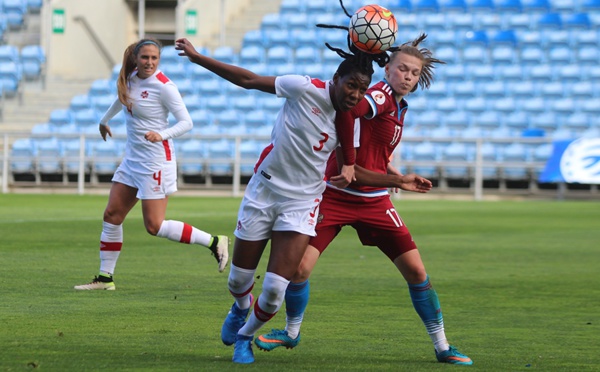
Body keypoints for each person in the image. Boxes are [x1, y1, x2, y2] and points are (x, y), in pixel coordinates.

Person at [255, 34, 474, 366]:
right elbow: (350, 109)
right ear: (387, 68)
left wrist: (389, 170)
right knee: (299, 269)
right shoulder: (380, 95)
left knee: (416, 271)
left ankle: (443, 346)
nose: (408, 77)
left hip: (374, 201)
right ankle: (291, 331)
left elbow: (371, 148)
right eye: (403, 69)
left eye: (414, 73)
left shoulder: (399, 105)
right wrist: (391, 177)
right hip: (335, 195)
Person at [174, 33, 389, 364]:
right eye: (351, 86)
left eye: (361, 90)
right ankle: (241, 307)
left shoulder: (353, 112)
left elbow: (357, 136)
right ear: (336, 79)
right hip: (264, 191)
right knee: (238, 281)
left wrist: (352, 165)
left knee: (275, 290)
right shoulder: (303, 88)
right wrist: (198, 57)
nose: (355, 95)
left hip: (301, 203)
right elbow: (248, 80)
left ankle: (246, 337)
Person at [74, 38, 229, 291]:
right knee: (112, 215)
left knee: (154, 226)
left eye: (154, 58)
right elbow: (123, 99)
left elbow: (186, 122)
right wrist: (104, 120)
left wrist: (162, 134)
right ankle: (105, 279)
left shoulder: (165, 87)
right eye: (145, 57)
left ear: (159, 60)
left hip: (156, 162)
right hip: (132, 160)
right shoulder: (132, 77)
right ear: (136, 58)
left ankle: (214, 241)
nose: (149, 62)